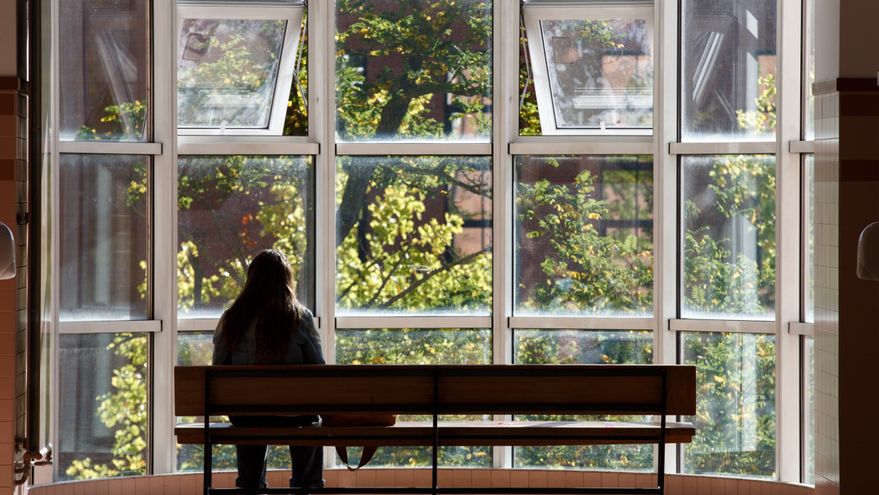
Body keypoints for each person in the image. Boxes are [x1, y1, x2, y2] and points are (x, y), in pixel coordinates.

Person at [212, 249, 325, 491]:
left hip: (247, 414)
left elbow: (218, 370)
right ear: (287, 280)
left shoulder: (231, 319)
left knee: (247, 419)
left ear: (251, 280)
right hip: (296, 414)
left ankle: (251, 485)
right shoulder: (300, 317)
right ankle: (307, 485)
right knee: (310, 421)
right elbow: (319, 370)